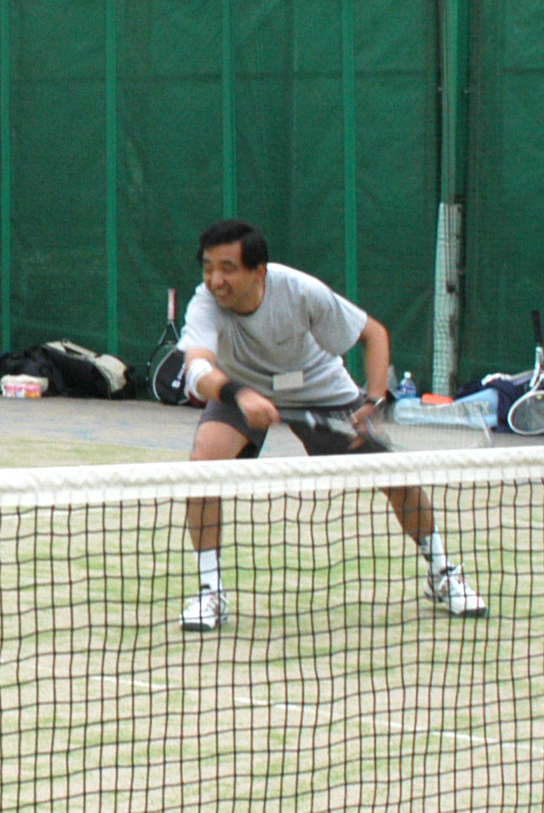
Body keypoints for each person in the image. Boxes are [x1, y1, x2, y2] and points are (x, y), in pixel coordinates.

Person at [176, 219, 486, 632]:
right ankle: (209, 590)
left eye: (227, 268)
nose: (216, 280)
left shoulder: (300, 291)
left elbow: (373, 334)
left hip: (320, 388)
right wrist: (240, 395)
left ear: (258, 271)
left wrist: (373, 400)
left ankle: (442, 573)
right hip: (239, 390)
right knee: (203, 466)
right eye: (208, 267)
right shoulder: (205, 303)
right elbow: (198, 369)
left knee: (397, 478)